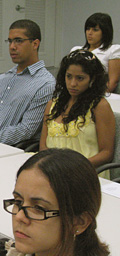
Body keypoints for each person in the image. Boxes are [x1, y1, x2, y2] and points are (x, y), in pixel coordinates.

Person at [0, 149, 118, 256]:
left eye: (38, 208)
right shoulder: (3, 254)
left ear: (79, 222)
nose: (19, 216)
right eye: (18, 201)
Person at [0, 19, 55, 145]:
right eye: (10, 41)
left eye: (18, 41)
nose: (12, 47)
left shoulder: (45, 84)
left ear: (35, 44)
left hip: (5, 148)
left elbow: (26, 130)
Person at [40, 50, 115, 179]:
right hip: (52, 171)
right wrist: (53, 167)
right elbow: (43, 146)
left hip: (85, 174)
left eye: (80, 78)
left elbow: (106, 153)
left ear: (92, 79)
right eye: (69, 76)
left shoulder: (100, 106)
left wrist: (73, 168)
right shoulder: (52, 104)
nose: (73, 83)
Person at [71, 13, 120, 93]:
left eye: (95, 30)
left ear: (105, 32)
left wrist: (94, 98)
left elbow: (113, 82)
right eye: (88, 29)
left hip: (98, 94)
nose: (89, 33)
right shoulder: (76, 50)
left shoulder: (112, 50)